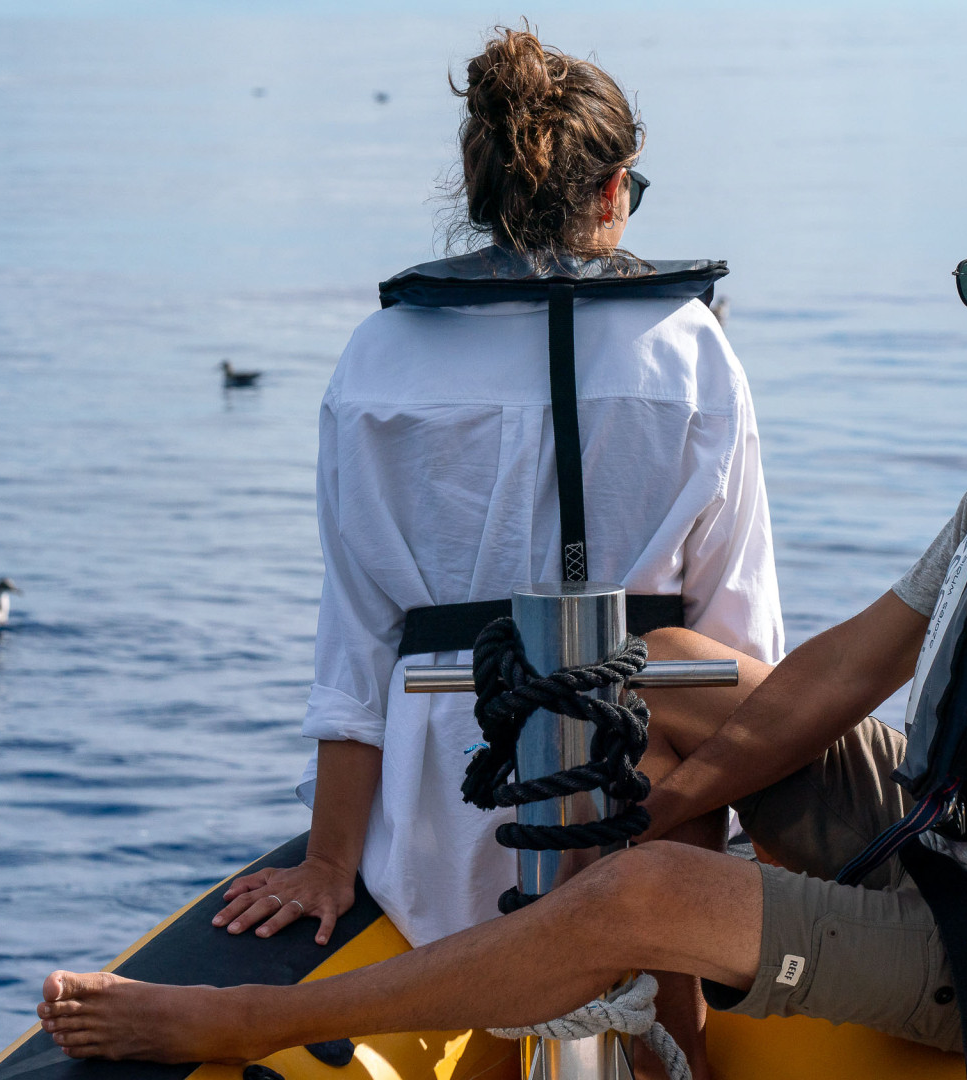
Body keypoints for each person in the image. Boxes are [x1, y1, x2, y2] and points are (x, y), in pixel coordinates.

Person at [36, 157, 967, 1078]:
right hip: (962, 830)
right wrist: (656, 805)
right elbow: (847, 667)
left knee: (644, 900)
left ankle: (248, 1019)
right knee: (662, 668)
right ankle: (643, 967)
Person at [201, 27, 785, 1076]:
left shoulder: (378, 360)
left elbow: (360, 639)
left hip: (451, 822)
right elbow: (740, 640)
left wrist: (333, 858)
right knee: (653, 980)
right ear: (612, 194)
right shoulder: (694, 351)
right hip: (644, 803)